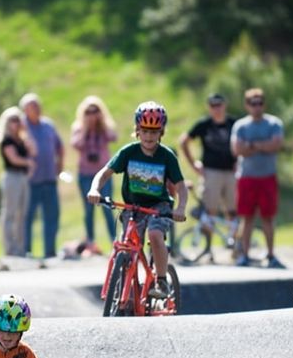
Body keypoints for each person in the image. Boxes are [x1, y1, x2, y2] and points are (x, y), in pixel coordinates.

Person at [86, 101, 188, 298]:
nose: (149, 136)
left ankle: (161, 281)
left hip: (160, 207)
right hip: (133, 207)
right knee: (128, 243)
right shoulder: (129, 152)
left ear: (161, 132)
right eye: (145, 131)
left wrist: (181, 207)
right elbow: (104, 174)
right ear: (137, 130)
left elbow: (181, 187)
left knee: (155, 234)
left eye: (154, 131)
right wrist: (94, 189)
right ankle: (124, 283)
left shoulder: (166, 156)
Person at [230, 88, 284, 268]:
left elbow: (275, 145)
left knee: (268, 218)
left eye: (260, 102)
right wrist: (262, 145)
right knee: (247, 218)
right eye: (253, 103)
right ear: (247, 105)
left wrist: (251, 145)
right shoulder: (240, 125)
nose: (257, 106)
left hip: (267, 177)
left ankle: (270, 255)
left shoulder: (274, 123)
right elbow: (237, 150)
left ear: (264, 104)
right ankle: (244, 255)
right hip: (247, 178)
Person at [180, 93, 239, 232]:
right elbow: (184, 141)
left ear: (224, 105)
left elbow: (245, 144)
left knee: (233, 211)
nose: (217, 108)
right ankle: (208, 248)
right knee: (209, 211)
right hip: (211, 172)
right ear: (209, 107)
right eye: (213, 105)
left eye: (219, 105)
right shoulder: (204, 124)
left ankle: (236, 245)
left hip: (231, 171)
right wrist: (193, 164)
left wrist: (240, 161)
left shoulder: (234, 123)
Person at [70, 96, 117, 255]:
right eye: (88, 111)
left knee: (107, 207)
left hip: (104, 174)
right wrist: (86, 128)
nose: (92, 115)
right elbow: (76, 144)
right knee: (88, 210)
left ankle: (114, 241)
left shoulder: (104, 126)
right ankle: (90, 242)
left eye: (95, 111)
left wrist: (100, 123)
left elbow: (113, 137)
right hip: (85, 175)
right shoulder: (78, 127)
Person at [20, 93, 64, 258]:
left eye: (38, 106)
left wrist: (60, 165)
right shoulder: (21, 126)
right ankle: (26, 250)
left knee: (52, 216)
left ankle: (50, 251)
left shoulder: (48, 125)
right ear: (25, 109)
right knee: (28, 217)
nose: (37, 109)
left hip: (49, 178)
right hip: (30, 181)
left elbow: (60, 147)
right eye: (33, 106)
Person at [0, 106, 37, 257]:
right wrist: (28, 163)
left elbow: (34, 151)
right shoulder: (6, 140)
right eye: (13, 120)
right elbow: (13, 159)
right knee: (10, 213)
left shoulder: (22, 139)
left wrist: (26, 130)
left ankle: (20, 248)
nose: (16, 123)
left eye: (18, 120)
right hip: (12, 177)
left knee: (22, 214)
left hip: (23, 178)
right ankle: (9, 248)